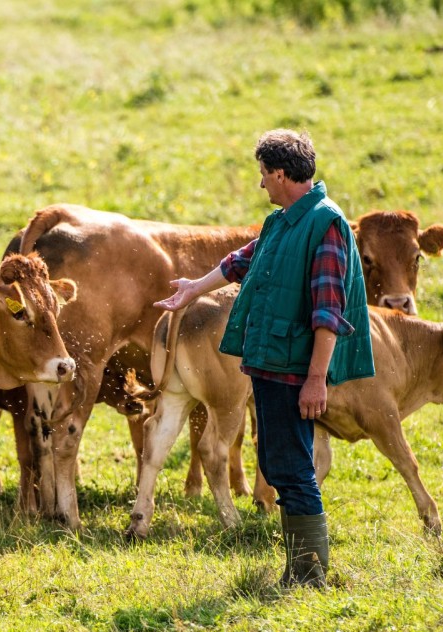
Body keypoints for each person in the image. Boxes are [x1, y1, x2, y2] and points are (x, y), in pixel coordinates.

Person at [155, 129, 374, 588]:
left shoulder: (325, 224)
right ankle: (301, 569)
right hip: (269, 361)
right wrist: (194, 288)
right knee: (276, 463)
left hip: (296, 368)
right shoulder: (283, 221)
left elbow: (328, 313)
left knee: (292, 468)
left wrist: (317, 379)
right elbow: (240, 261)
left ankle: (310, 574)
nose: (260, 185)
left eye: (263, 175)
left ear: (280, 173)